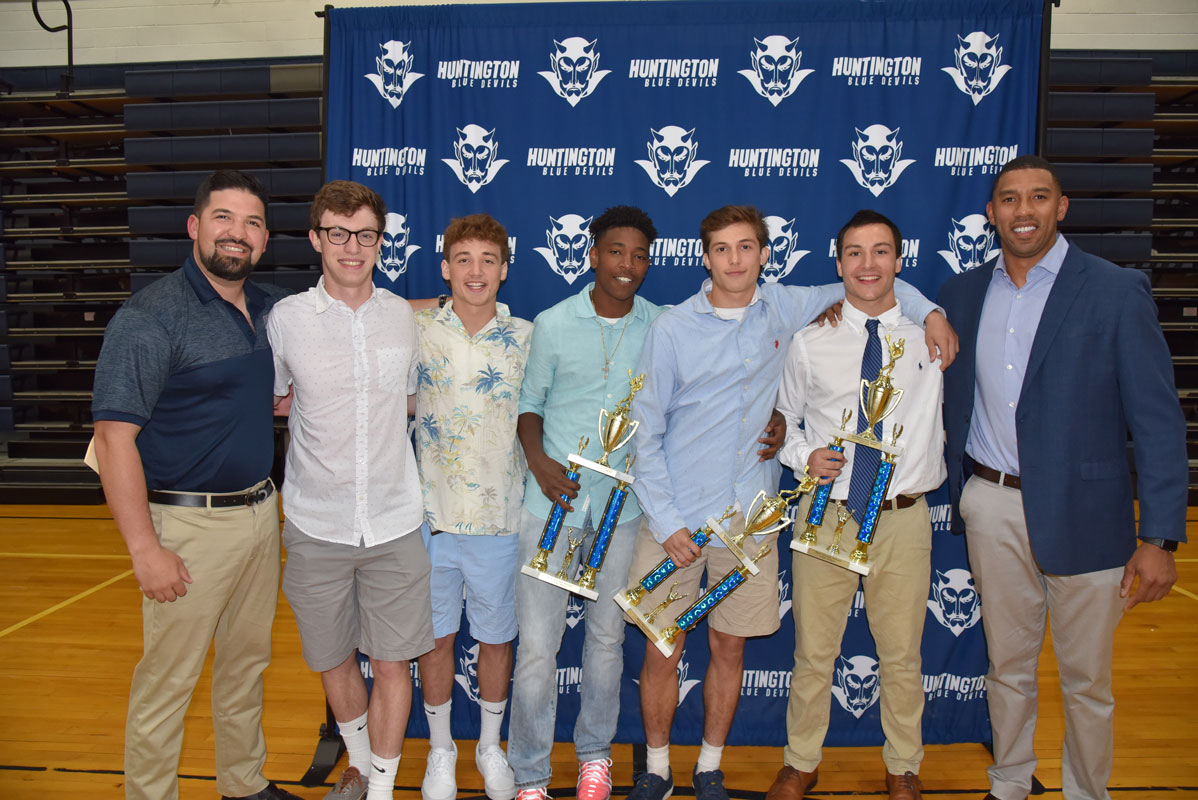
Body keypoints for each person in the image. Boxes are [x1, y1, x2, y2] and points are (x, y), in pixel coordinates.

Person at [627, 205, 955, 800]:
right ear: (705, 257)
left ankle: (711, 768)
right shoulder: (676, 329)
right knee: (665, 647)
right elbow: (643, 434)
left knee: (738, 646)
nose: (734, 260)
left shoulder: (795, 310)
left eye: (746, 247)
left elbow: (875, 281)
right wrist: (800, 458)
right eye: (722, 249)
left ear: (763, 254)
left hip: (759, 519)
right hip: (679, 518)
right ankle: (657, 768)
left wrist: (930, 309)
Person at [938, 155, 1187, 800]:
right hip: (991, 506)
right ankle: (1010, 781)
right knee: (1007, 667)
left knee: (1086, 680)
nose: (1024, 210)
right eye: (1010, 199)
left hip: (1089, 513)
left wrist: (1160, 536)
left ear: (1061, 207)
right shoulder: (962, 294)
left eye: (1039, 197)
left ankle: (1086, 792)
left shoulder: (1113, 289)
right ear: (990, 214)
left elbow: (1158, 421)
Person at [92, 169, 300, 800]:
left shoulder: (268, 309)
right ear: (194, 228)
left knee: (247, 666)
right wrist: (144, 549)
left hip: (262, 516)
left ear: (264, 240)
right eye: (223, 219)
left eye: (252, 223)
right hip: (187, 526)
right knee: (168, 682)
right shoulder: (150, 317)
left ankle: (243, 784)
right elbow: (113, 436)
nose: (237, 234)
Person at [770, 210, 945, 800]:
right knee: (814, 651)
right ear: (837, 261)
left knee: (901, 654)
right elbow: (783, 423)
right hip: (830, 512)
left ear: (899, 259)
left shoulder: (930, 337)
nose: (867, 265)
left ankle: (903, 767)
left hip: (902, 514)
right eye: (854, 253)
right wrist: (802, 456)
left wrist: (934, 312)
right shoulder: (810, 340)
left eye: (880, 252)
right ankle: (801, 761)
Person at [267, 180, 433, 800]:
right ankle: (360, 767)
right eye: (338, 233)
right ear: (316, 239)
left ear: (380, 242)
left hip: (394, 522)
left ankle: (381, 789)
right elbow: (278, 398)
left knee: (394, 663)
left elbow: (415, 397)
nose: (352, 247)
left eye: (365, 234)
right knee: (333, 659)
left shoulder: (401, 317)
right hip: (316, 524)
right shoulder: (286, 321)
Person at [507, 206, 660, 800]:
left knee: (606, 642)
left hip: (621, 512)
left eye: (639, 255)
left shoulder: (660, 325)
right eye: (616, 251)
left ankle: (595, 757)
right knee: (539, 648)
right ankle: (530, 775)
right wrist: (540, 464)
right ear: (593, 255)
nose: (628, 265)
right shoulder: (553, 322)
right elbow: (529, 406)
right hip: (554, 505)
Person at [413, 214, 532, 800]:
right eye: (463, 259)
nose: (476, 271)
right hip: (426, 520)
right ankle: (440, 751)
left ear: (505, 269)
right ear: (445, 269)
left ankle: (489, 746)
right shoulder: (416, 331)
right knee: (434, 638)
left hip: (499, 520)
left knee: (495, 639)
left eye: (488, 259)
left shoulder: (529, 339)